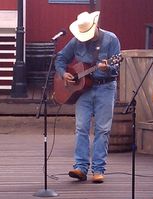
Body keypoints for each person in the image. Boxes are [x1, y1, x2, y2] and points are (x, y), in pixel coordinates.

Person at [54, 11, 121, 183]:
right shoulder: (76, 40)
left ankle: (98, 170)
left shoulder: (111, 39)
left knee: (102, 129)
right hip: (83, 90)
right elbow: (61, 58)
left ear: (95, 26)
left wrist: (108, 68)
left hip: (105, 87)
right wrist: (64, 74)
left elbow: (116, 68)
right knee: (81, 127)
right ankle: (80, 168)